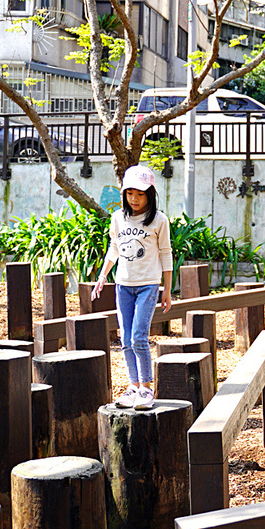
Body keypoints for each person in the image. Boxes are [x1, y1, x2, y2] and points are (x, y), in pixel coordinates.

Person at [92, 165, 173, 411]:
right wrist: (103, 276)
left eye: (140, 194)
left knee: (139, 336)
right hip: (123, 286)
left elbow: (166, 253)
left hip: (148, 286)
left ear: (150, 194)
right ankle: (134, 386)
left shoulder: (160, 220)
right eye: (130, 193)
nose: (134, 199)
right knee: (125, 339)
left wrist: (166, 290)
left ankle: (147, 389)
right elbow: (114, 248)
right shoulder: (118, 218)